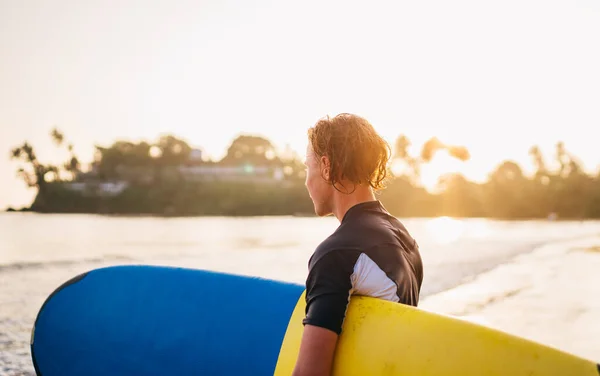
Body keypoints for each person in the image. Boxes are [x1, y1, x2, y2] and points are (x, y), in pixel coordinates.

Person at [292, 113, 424, 376]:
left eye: (308, 167)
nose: (307, 181)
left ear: (327, 166)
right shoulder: (405, 238)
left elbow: (310, 373)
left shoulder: (338, 253)